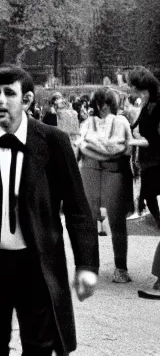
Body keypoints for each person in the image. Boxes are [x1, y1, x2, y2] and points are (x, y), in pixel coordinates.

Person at [0, 64, 99, 356]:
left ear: (26, 100)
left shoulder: (54, 141)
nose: (0, 101)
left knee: (40, 346)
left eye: (9, 93)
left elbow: (78, 208)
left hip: (37, 264)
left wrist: (86, 265)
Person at [78, 87, 134, 284]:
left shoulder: (119, 122)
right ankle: (100, 267)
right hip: (98, 170)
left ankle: (115, 268)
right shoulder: (90, 122)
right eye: (102, 102)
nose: (103, 106)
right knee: (94, 220)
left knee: (113, 220)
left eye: (106, 102)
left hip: (106, 170)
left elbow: (122, 149)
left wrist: (98, 148)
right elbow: (85, 146)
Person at [127, 67, 160, 299]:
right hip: (150, 168)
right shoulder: (147, 103)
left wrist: (133, 141)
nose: (131, 90)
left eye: (133, 87)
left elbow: (156, 141)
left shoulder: (156, 105)